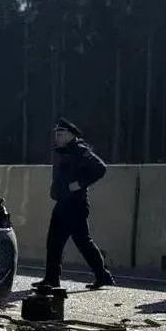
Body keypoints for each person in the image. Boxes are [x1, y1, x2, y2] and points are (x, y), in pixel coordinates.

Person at [41, 119, 116, 290]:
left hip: (75, 205)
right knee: (74, 242)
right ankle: (102, 275)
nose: (57, 137)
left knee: (64, 241)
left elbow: (100, 168)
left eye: (60, 134)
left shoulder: (80, 151)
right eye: (56, 134)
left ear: (70, 135)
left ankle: (53, 279)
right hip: (64, 203)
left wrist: (80, 183)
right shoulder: (62, 152)